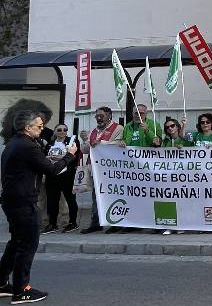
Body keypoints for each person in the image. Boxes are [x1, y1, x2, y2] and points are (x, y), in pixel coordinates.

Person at [0, 111, 78, 304]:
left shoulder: (13, 143)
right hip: (24, 202)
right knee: (26, 245)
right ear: (27, 128)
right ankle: (21, 291)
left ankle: (1, 283)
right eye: (39, 126)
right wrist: (69, 155)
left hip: (13, 200)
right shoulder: (27, 146)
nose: (42, 129)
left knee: (16, 242)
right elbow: (52, 170)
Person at [81, 107, 123, 234]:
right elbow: (85, 150)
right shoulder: (93, 131)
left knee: (112, 195)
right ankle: (96, 222)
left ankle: (115, 222)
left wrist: (99, 143)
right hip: (95, 169)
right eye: (97, 116)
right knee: (96, 196)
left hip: (111, 169)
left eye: (101, 115)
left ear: (109, 115)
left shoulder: (118, 128)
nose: (99, 118)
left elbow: (117, 144)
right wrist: (85, 141)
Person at [41, 123, 82, 234]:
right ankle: (52, 223)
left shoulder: (71, 141)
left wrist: (61, 158)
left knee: (70, 199)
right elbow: (43, 157)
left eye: (65, 129)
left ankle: (73, 222)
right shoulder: (50, 144)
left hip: (67, 175)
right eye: (59, 130)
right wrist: (48, 157)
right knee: (52, 200)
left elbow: (75, 155)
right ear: (55, 131)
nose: (62, 132)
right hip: (53, 175)